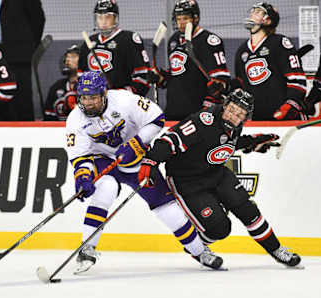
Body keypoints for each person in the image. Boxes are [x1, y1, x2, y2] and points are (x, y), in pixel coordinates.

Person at [65, 71, 223, 274]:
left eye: (93, 97)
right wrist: (84, 177)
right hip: (103, 159)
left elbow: (157, 118)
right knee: (106, 189)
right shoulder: (75, 120)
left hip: (136, 158)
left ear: (104, 93)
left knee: (169, 210)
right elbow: (81, 156)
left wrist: (137, 142)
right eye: (84, 98)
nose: (88, 103)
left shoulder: (123, 100)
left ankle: (200, 252)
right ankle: (87, 248)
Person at [137, 88, 302, 268]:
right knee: (220, 229)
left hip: (216, 173)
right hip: (187, 181)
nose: (233, 116)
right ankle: (197, 249)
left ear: (245, 117)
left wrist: (252, 142)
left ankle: (277, 250)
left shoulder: (235, 126)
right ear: (224, 106)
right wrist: (150, 161)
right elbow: (170, 140)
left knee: (249, 211)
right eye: (231, 110)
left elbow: (221, 144)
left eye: (240, 114)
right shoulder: (203, 120)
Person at [149, 0, 230, 121]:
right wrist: (160, 78)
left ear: (195, 18)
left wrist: (213, 97)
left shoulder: (209, 40)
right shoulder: (174, 40)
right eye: (178, 19)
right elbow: (176, 75)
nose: (181, 23)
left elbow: (221, 80)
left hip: (197, 111)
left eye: (185, 18)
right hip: (173, 110)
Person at [233, 2, 308, 121]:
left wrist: (290, 105)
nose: (252, 14)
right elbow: (241, 84)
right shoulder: (242, 51)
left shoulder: (280, 43)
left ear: (268, 20)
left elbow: (297, 80)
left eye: (258, 12)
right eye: (253, 11)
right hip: (257, 118)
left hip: (284, 116)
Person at [0, 0, 45, 121]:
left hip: (19, 55)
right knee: (0, 101)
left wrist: (28, 45)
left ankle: (26, 137)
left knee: (21, 101)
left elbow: (38, 18)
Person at [78, 0, 151, 97]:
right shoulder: (89, 42)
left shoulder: (128, 39)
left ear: (115, 18)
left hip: (122, 102)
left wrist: (123, 95)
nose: (103, 22)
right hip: (95, 102)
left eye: (107, 17)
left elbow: (143, 75)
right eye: (100, 17)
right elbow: (81, 76)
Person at [43, 45, 80, 121]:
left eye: (73, 56)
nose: (67, 60)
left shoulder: (91, 86)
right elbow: (49, 118)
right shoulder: (56, 87)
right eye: (67, 57)